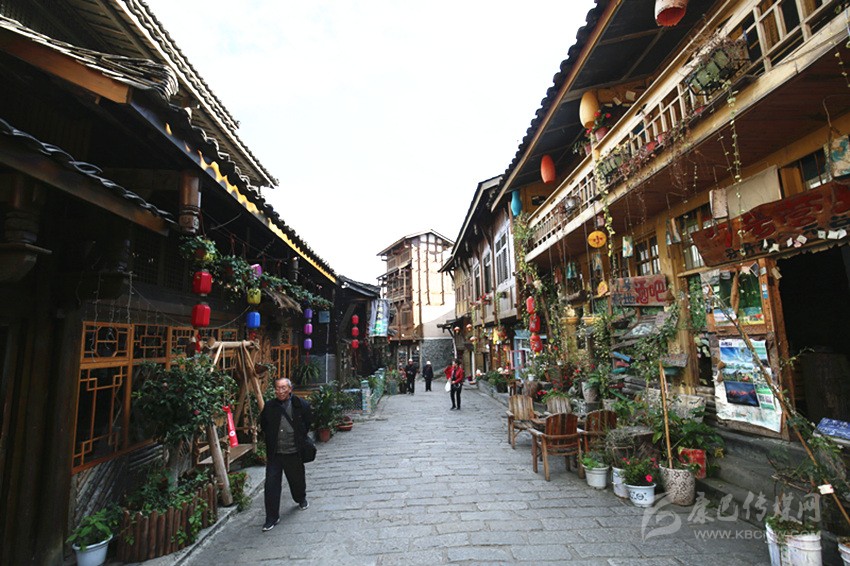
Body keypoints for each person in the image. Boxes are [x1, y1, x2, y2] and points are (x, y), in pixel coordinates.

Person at [259, 377, 313, 532]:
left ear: (290, 389)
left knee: (297, 479)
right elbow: (264, 424)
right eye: (277, 388)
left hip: (293, 451)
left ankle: (301, 498)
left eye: (283, 388)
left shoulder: (300, 405)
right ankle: (271, 517)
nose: (280, 391)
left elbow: (307, 422)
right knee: (271, 485)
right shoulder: (270, 406)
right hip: (275, 453)